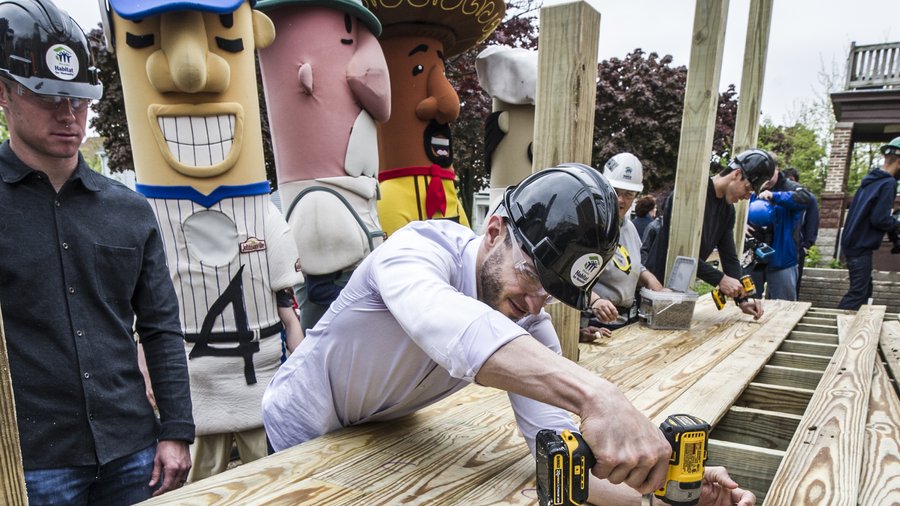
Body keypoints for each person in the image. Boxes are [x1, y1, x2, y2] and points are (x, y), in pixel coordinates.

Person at [262, 164, 755, 505]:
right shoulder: (417, 249)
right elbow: (456, 331)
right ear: (495, 230)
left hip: (376, 435)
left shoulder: (528, 322)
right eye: (534, 275)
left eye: (556, 292)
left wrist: (670, 489)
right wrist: (598, 395)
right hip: (301, 425)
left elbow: (557, 449)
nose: (538, 301)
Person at [0, 0, 195, 503]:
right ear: (4, 92)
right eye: (48, 97)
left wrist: (175, 429)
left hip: (135, 451)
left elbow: (160, 325)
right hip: (35, 460)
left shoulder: (128, 211)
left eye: (79, 99)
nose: (69, 116)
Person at [105, 0, 304, 482]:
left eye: (227, 39)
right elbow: (136, 317)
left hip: (263, 388)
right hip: (187, 399)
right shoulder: (139, 218)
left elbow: (287, 305)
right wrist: (147, 375)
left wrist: (303, 370)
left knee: (279, 486)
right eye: (144, 40)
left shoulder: (264, 214)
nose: (191, 76)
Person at [645, 149, 775, 319]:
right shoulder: (688, 196)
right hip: (656, 289)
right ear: (736, 174)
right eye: (748, 188)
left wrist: (743, 299)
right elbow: (680, 253)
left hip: (682, 294)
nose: (746, 197)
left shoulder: (727, 211)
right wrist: (720, 279)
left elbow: (729, 258)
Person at [581, 154, 665, 342]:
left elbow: (631, 264)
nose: (621, 200)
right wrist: (595, 302)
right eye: (615, 191)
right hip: (596, 325)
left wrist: (652, 282)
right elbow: (572, 279)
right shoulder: (590, 227)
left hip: (626, 322)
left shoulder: (629, 227)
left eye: (628, 194)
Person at [837, 137, 900, 309]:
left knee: (865, 291)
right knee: (858, 294)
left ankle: (854, 327)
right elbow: (879, 219)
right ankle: (836, 326)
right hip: (860, 246)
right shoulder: (888, 183)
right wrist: (896, 225)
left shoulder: (870, 181)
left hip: (852, 243)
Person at [746, 165, 813, 300]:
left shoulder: (791, 187)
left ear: (776, 168)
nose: (765, 179)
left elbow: (806, 199)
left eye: (768, 174)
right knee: (748, 300)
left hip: (782, 258)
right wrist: (741, 225)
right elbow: (732, 205)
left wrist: (774, 196)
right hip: (754, 256)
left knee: (784, 305)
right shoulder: (753, 186)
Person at [781, 168, 819, 299]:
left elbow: (812, 222)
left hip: (797, 247)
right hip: (779, 246)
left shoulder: (807, 199)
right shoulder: (780, 197)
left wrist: (806, 245)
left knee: (792, 284)